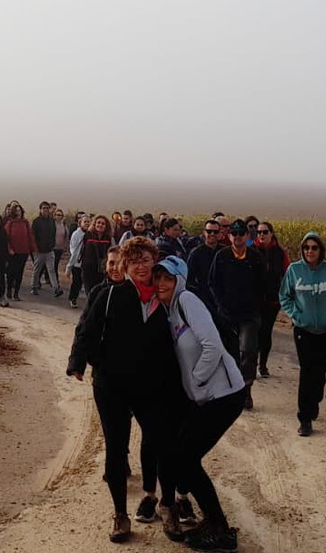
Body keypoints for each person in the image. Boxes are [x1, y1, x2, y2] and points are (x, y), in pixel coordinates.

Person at [66, 238, 186, 543]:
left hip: (153, 386)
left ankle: (168, 505)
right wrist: (77, 361)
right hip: (112, 385)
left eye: (146, 259)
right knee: (116, 449)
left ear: (154, 261)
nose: (141, 266)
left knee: (163, 443)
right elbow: (87, 329)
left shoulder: (166, 300)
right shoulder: (109, 296)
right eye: (134, 261)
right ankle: (120, 514)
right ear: (125, 266)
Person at [154, 255, 246, 551]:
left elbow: (213, 345)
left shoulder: (187, 300)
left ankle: (220, 528)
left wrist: (197, 381)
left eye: (168, 278)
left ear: (179, 279)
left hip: (225, 395)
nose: (161, 283)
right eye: (158, 277)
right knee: (183, 458)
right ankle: (214, 522)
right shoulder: (169, 312)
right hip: (207, 398)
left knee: (186, 459)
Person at [278, 231, 326, 437]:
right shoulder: (294, 270)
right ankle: (305, 418)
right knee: (307, 371)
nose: (310, 251)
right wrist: (295, 315)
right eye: (306, 247)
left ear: (320, 249)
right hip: (303, 329)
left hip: (324, 329)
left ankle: (315, 401)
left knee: (320, 371)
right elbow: (285, 296)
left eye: (314, 247)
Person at [209, 219, 265, 408]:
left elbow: (262, 284)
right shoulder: (222, 256)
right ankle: (227, 390)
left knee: (248, 351)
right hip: (226, 314)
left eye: (241, 234)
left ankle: (246, 390)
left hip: (249, 315)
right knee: (228, 352)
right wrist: (220, 306)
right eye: (234, 233)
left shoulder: (255, 257)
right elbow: (213, 283)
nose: (238, 237)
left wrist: (256, 305)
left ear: (248, 236)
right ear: (229, 235)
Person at [254, 221, 290, 378]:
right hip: (254, 301)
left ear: (272, 233)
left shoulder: (280, 253)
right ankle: (251, 364)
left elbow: (287, 275)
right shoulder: (251, 251)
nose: (262, 234)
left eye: (265, 231)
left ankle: (263, 365)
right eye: (259, 232)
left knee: (266, 332)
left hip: (272, 301)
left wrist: (285, 295)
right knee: (253, 333)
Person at [30, 202, 64, 298]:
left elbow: (53, 234)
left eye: (47, 208)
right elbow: (33, 236)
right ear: (40, 209)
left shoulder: (51, 221)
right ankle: (34, 286)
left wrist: (52, 245)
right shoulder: (36, 221)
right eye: (44, 208)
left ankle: (56, 288)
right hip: (39, 251)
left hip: (49, 250)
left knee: (51, 270)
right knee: (37, 269)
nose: (46, 210)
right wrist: (35, 248)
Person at [185, 219, 221, 305]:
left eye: (215, 232)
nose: (212, 234)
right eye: (209, 231)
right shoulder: (196, 253)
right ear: (204, 233)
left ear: (219, 234)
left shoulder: (224, 252)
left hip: (222, 300)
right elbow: (189, 279)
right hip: (203, 299)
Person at [4, 204, 35, 301]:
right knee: (11, 272)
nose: (18, 212)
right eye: (16, 210)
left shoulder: (25, 223)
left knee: (19, 272)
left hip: (23, 251)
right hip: (13, 252)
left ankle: (16, 293)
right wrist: (9, 249)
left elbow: (30, 236)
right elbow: (6, 238)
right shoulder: (10, 223)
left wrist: (32, 249)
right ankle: (9, 290)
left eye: (20, 210)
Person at [79, 215, 113, 295]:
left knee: (98, 293)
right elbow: (80, 251)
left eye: (103, 224)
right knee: (89, 293)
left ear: (106, 226)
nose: (100, 225)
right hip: (87, 269)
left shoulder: (108, 238)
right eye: (98, 223)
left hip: (101, 270)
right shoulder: (88, 235)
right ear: (94, 224)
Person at [66, 214, 89, 307]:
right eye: (85, 221)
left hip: (87, 263)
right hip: (77, 263)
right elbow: (73, 250)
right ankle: (73, 298)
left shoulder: (91, 234)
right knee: (77, 282)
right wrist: (69, 266)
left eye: (88, 221)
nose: (87, 223)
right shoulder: (76, 234)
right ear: (80, 223)